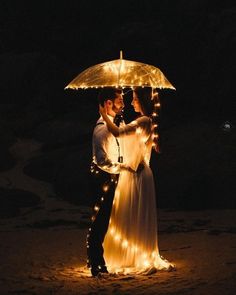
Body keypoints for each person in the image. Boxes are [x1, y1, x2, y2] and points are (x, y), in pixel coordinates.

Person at [99, 87, 174, 274]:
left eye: (134, 99)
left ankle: (133, 256)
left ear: (142, 101)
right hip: (138, 173)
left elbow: (117, 132)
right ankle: (135, 254)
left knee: (131, 214)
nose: (132, 103)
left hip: (137, 175)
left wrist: (104, 115)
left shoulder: (143, 121)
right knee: (134, 215)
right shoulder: (145, 122)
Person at [87, 87, 132, 277]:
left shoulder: (115, 124)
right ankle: (96, 263)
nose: (123, 103)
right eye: (119, 100)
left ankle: (99, 261)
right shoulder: (101, 130)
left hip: (113, 178)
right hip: (103, 179)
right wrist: (123, 168)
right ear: (108, 104)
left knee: (107, 221)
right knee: (100, 221)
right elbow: (102, 160)